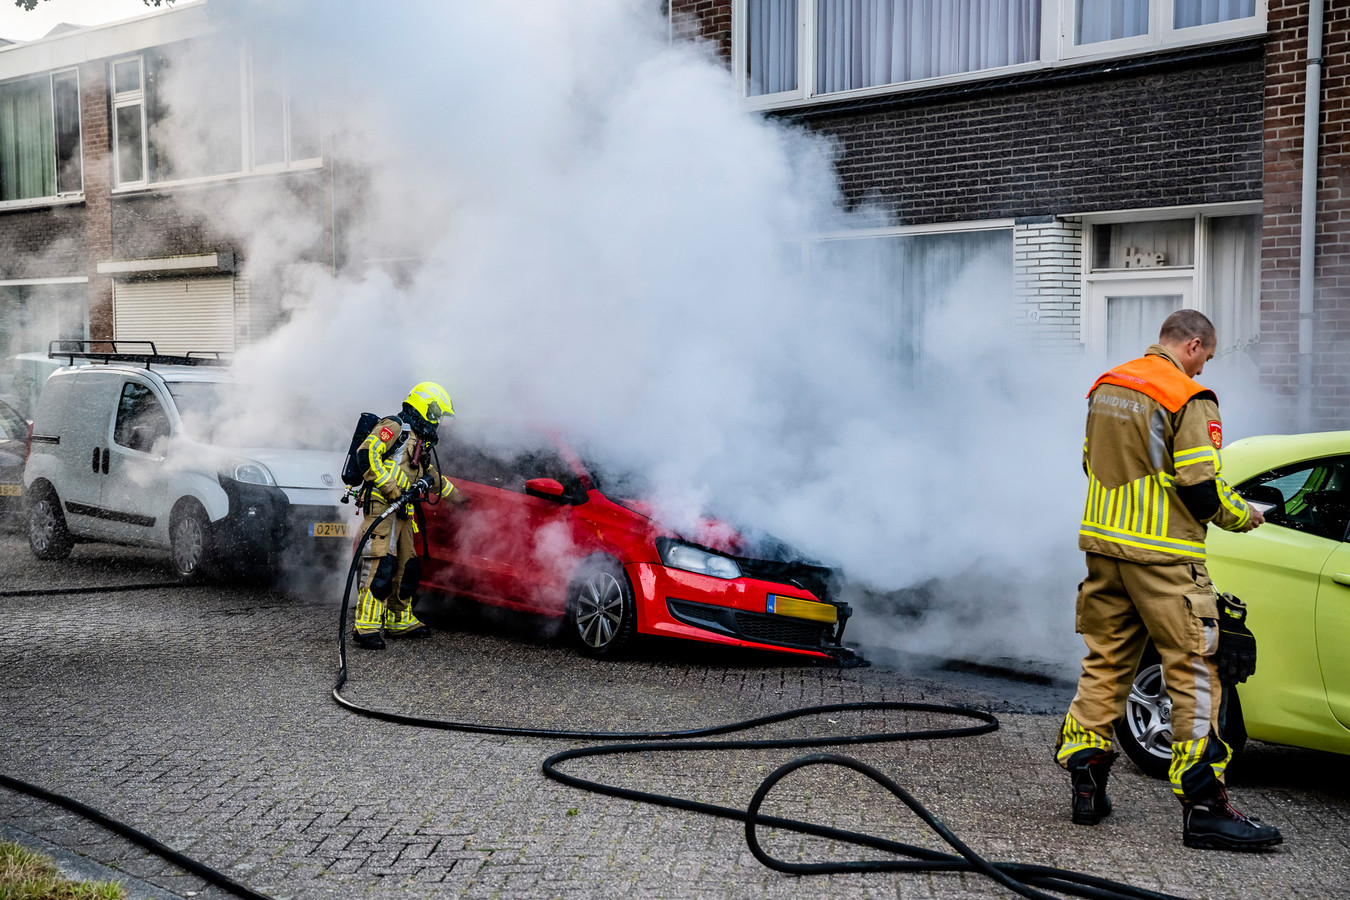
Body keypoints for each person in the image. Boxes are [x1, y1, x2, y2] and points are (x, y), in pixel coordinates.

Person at [1055, 309, 1282, 850]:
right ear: (1194, 344)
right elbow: (1200, 486)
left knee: (1107, 659)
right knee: (1195, 671)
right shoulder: (1186, 396)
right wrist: (1244, 515)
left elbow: (1091, 464)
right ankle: (1205, 807)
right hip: (1164, 558)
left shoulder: (1107, 385)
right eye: (1204, 357)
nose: (1203, 369)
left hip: (1104, 549)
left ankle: (1087, 785)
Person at [351, 382, 467, 650]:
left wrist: (459, 498)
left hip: (404, 510)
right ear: (425, 406)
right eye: (437, 414)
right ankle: (366, 627)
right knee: (381, 564)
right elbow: (367, 454)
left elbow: (432, 478)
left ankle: (399, 621)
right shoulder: (395, 427)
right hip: (383, 505)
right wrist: (391, 489)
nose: (437, 422)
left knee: (407, 568)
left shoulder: (418, 439)